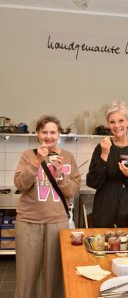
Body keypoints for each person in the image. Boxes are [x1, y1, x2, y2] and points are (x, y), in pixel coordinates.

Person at [14, 115, 81, 298]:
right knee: (26, 277)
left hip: (57, 224)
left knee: (55, 278)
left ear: (59, 134)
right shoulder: (28, 156)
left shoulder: (68, 157)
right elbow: (20, 185)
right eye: (44, 132)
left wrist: (60, 176)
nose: (48, 136)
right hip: (28, 223)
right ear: (37, 134)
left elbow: (73, 191)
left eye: (53, 132)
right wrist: (36, 162)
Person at [86, 100, 128, 228]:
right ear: (108, 124)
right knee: (105, 246)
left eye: (121, 120)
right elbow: (92, 182)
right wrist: (104, 156)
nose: (117, 125)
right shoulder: (101, 147)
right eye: (112, 122)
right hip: (106, 210)